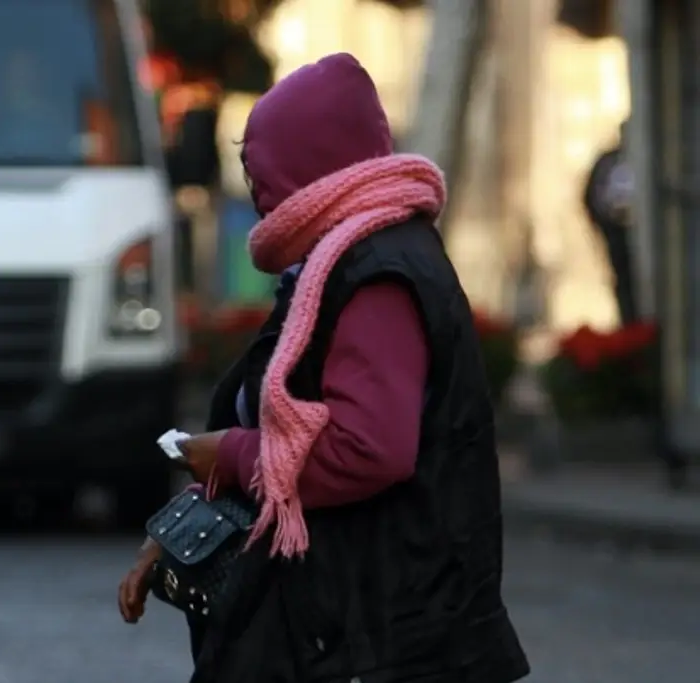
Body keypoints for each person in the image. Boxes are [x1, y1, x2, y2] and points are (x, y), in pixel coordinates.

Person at [118, 53, 530, 683]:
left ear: (307, 161)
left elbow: (367, 449)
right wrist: (178, 536)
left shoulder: (375, 273)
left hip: (379, 644)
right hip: (344, 634)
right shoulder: (338, 264)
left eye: (258, 166)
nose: (253, 188)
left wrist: (229, 455)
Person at [584, 120, 637, 324]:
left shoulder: (648, 161)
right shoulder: (608, 161)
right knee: (623, 283)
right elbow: (591, 197)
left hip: (642, 236)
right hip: (616, 234)